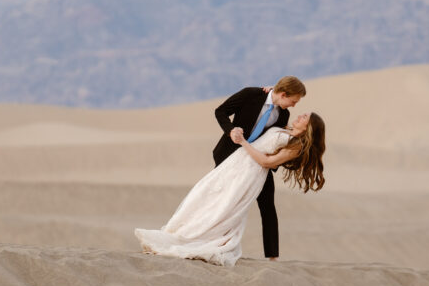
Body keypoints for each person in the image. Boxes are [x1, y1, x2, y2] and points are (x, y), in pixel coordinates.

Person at [134, 112, 326, 266]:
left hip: (249, 173)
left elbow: (267, 162)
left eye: (305, 118)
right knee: (204, 194)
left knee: (225, 206)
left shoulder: (296, 146)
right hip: (236, 163)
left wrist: (243, 143)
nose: (300, 115)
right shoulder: (285, 131)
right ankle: (179, 233)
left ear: (309, 128)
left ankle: (195, 239)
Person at [211, 76, 307, 259]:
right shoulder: (250, 94)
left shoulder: (283, 114)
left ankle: (272, 256)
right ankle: (218, 245)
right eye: (293, 101)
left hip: (258, 164)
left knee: (268, 206)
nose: (294, 106)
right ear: (284, 94)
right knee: (225, 200)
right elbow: (220, 111)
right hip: (229, 156)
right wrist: (230, 130)